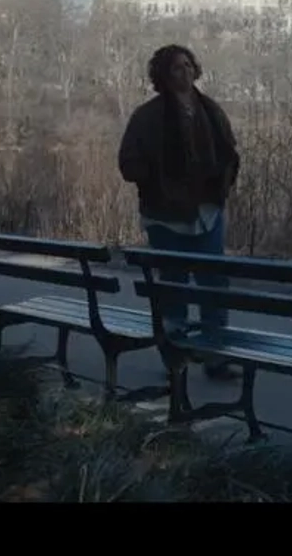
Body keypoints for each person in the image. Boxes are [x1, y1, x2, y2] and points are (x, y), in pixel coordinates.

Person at [117, 44, 242, 380]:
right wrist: (159, 179)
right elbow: (128, 164)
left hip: (207, 214)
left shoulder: (210, 110)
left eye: (188, 65)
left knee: (214, 286)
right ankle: (175, 360)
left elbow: (230, 153)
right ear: (163, 75)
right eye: (176, 67)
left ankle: (214, 356)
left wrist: (221, 185)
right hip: (166, 218)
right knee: (173, 289)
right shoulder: (147, 117)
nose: (185, 71)